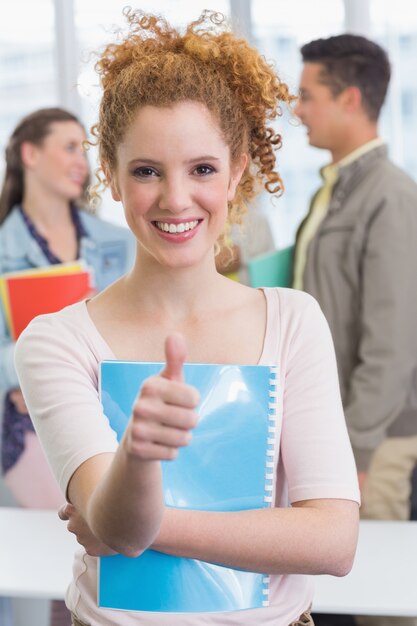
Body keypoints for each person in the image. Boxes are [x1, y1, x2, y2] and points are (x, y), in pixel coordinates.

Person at [15, 11, 360, 626]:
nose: (176, 199)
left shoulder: (293, 320)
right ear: (112, 179)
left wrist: (135, 522)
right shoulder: (57, 341)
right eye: (146, 171)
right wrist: (140, 458)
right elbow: (115, 523)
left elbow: (332, 544)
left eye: (202, 168)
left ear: (238, 171)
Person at [293, 34, 417, 626]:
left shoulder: (391, 196)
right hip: (333, 432)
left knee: (380, 603)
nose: (297, 109)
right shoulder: (332, 190)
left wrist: (357, 446)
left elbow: (393, 340)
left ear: (348, 98)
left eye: (307, 95)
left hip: (372, 439)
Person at [0, 107, 136, 626]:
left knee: (107, 560)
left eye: (85, 147)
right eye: (69, 146)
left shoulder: (117, 240)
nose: (82, 160)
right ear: (30, 155)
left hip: (109, 418)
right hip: (26, 435)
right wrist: (26, 373)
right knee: (51, 565)